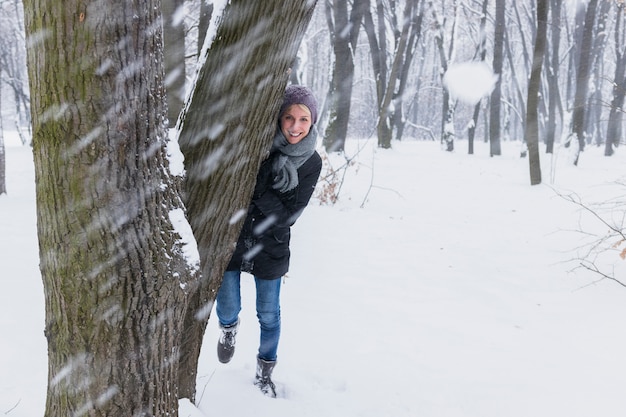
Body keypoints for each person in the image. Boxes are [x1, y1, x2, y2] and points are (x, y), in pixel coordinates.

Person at [215, 85, 322, 398]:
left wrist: (260, 191)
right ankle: (228, 329)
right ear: (278, 118)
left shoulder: (310, 162)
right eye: (288, 117)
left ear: (312, 122)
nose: (295, 126)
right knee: (228, 303)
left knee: (269, 314)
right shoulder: (258, 146)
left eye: (303, 119)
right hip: (233, 238)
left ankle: (264, 372)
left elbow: (289, 216)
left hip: (272, 246)